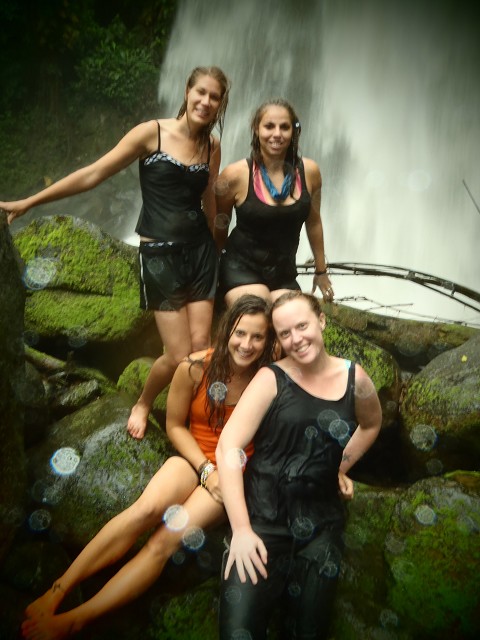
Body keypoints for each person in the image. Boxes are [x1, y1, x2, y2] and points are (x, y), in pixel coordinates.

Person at [20, 294, 276, 640]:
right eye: (240, 333)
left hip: (231, 477)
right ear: (227, 330)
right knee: (144, 510)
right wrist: (205, 469)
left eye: (257, 336)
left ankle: (76, 619)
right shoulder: (195, 367)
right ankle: (58, 590)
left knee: (164, 541)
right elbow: (175, 426)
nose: (246, 344)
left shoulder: (268, 378)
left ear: (268, 340)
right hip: (194, 459)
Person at [0, 66, 231, 440]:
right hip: (160, 256)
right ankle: (144, 401)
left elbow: (208, 197)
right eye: (200, 92)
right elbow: (93, 174)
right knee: (177, 354)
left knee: (201, 350)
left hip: (201, 254)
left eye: (214, 96)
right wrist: (30, 202)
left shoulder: (212, 146)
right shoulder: (151, 133)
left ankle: (190, 422)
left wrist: (219, 246)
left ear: (221, 104)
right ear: (187, 92)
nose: (205, 101)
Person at [216, 291, 382, 640]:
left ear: (321, 321)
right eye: (285, 333)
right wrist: (242, 530)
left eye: (302, 326)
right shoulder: (270, 379)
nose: (296, 339)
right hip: (262, 522)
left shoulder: (355, 379)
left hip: (319, 528)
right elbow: (229, 446)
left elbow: (371, 424)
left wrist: (339, 466)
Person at [214, 98, 334, 308]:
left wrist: (321, 271)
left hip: (283, 273)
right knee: (257, 308)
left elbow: (314, 222)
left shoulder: (310, 172)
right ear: (256, 129)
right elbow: (220, 225)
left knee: (294, 314)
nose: (277, 134)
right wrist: (211, 273)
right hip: (240, 269)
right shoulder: (234, 175)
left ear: (294, 131)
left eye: (284, 127)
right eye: (269, 126)